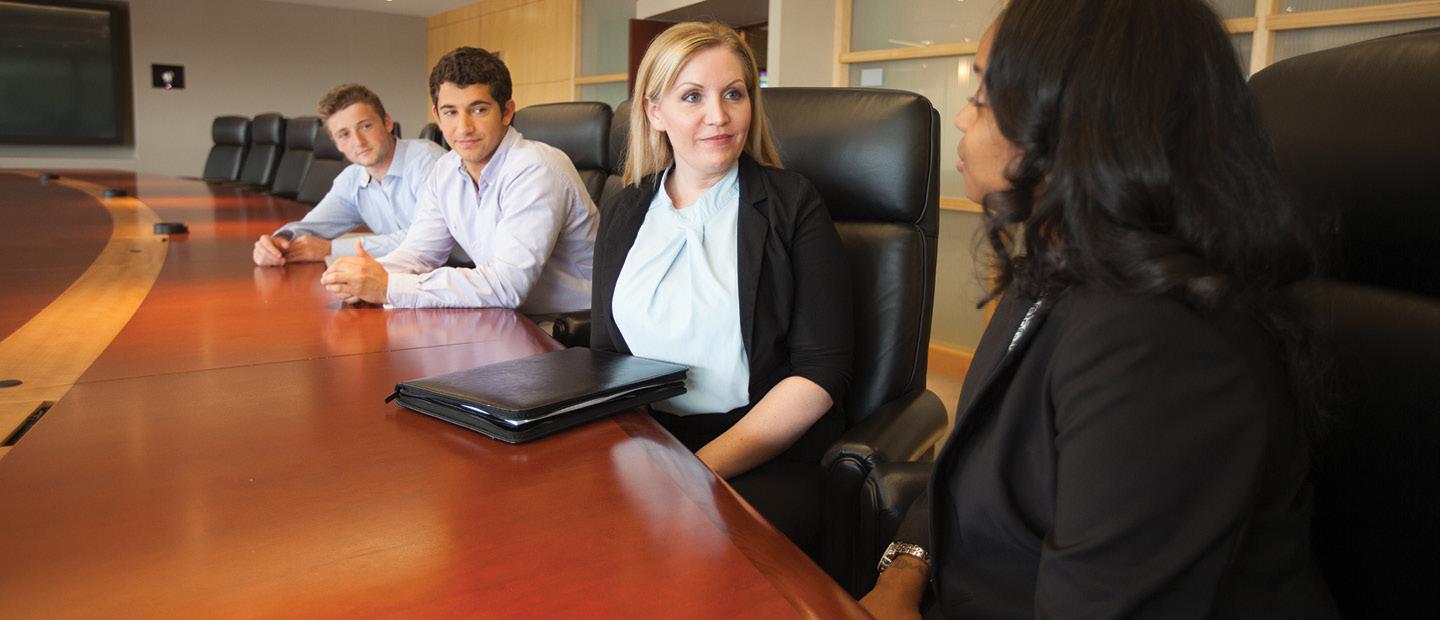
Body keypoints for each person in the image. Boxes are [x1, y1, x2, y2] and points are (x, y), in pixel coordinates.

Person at [859, 1, 1339, 618]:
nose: (961, 114)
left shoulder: (1159, 345)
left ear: (1071, 121)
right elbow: (966, 467)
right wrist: (902, 576)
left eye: (982, 92)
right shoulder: (1057, 269)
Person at [589, 22, 853, 550]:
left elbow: (822, 370)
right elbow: (604, 351)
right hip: (645, 443)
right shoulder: (625, 206)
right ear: (654, 111)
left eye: (734, 93)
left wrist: (696, 470)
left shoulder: (791, 203)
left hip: (758, 452)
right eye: (692, 96)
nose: (719, 116)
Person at [320, 47, 596, 313]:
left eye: (478, 110)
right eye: (451, 112)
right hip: (504, 316)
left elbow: (508, 285)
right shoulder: (446, 170)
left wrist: (388, 285)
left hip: (568, 328)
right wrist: (366, 276)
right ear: (437, 117)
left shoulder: (536, 168)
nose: (464, 128)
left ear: (507, 112)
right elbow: (420, 253)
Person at [253, 84, 444, 266]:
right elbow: (314, 226)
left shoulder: (426, 162)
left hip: (456, 275)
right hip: (407, 277)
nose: (358, 141)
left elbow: (426, 239)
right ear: (336, 144)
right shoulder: (352, 179)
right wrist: (279, 242)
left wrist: (331, 249)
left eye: (366, 126)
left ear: (387, 123)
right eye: (344, 135)